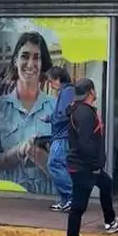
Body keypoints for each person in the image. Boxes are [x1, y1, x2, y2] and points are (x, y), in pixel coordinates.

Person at [0, 32, 55, 194]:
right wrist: (18, 152)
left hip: (46, 199)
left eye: (37, 58)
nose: (30, 64)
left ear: (43, 64)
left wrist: (44, 161)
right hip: (8, 197)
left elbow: (68, 172)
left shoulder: (56, 108)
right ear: (15, 60)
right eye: (25, 56)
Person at [64, 78, 118, 236]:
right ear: (91, 91)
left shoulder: (80, 110)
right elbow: (85, 143)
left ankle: (110, 221)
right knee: (78, 206)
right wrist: (94, 165)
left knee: (106, 183)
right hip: (84, 167)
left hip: (86, 165)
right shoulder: (84, 113)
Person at [44, 65, 76, 212]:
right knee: (60, 166)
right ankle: (65, 199)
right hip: (62, 136)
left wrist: (50, 118)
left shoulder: (67, 92)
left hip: (62, 136)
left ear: (58, 79)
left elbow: (63, 115)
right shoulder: (66, 91)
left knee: (54, 164)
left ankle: (70, 197)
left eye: (51, 81)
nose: (50, 85)